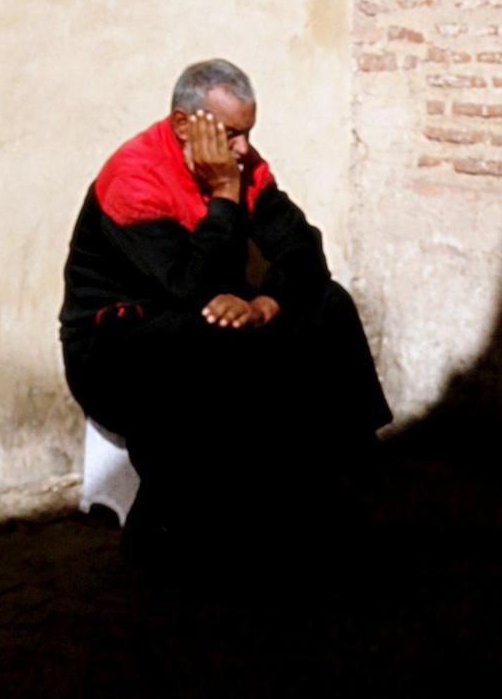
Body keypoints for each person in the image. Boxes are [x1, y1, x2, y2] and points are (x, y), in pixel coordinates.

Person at [60, 58, 391, 554]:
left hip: (206, 316)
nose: (242, 148)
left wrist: (266, 304)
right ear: (182, 124)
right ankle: (166, 522)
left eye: (247, 133)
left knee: (329, 303)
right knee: (211, 337)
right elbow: (193, 285)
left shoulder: (245, 166)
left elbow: (303, 251)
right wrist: (223, 193)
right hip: (115, 347)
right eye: (232, 134)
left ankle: (346, 466)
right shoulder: (135, 179)